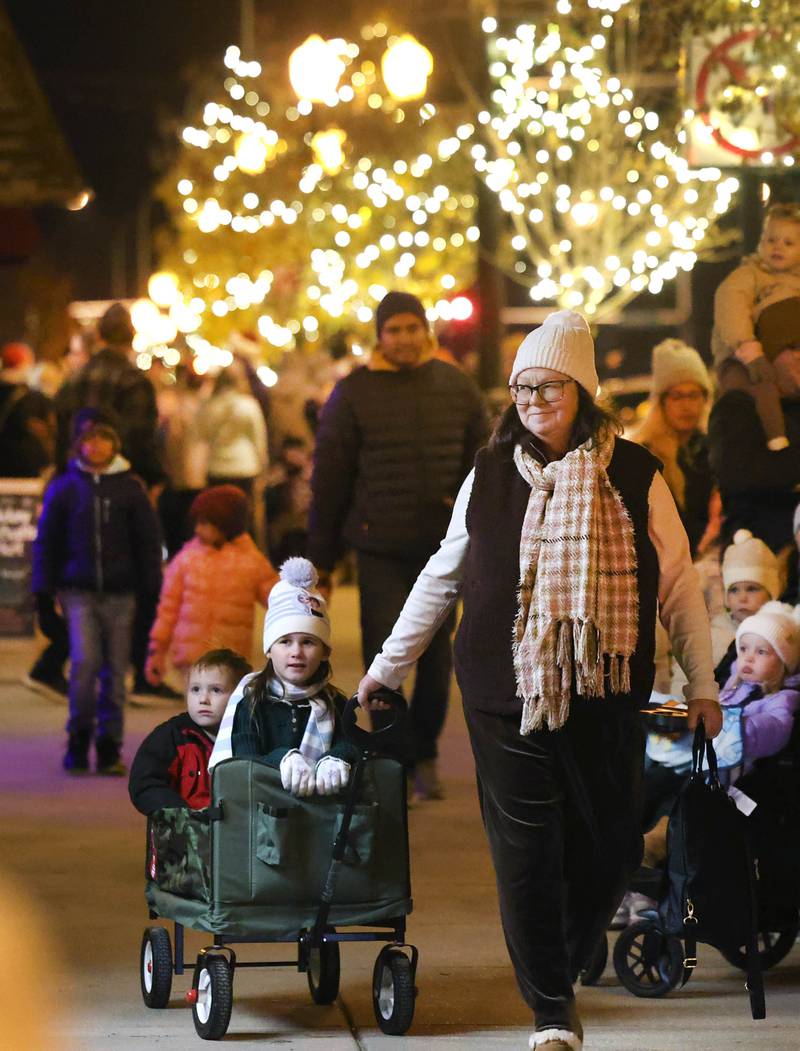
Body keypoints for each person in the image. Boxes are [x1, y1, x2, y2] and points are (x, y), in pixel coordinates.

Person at [356, 309, 721, 1051]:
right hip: (501, 688)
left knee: (611, 842)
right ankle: (552, 1007)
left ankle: (570, 941)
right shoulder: (490, 471)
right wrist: (388, 665)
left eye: (546, 388)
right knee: (526, 852)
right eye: (520, 388)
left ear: (582, 391)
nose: (529, 401)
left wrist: (703, 683)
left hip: (606, 690)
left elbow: (679, 588)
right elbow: (443, 572)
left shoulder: (635, 474)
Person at [309, 290, 489, 799]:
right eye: (395, 330)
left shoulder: (456, 387)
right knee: (385, 654)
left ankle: (425, 752)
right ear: (380, 336)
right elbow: (331, 477)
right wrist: (321, 556)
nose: (405, 338)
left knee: (435, 660)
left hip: (442, 547)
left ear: (426, 331)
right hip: (379, 545)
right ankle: (391, 758)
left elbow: (483, 464)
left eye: (414, 328)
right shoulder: (353, 393)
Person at [31, 409, 162, 775]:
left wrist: (152, 590)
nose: (96, 446)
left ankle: (108, 745)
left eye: (103, 439)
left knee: (116, 671)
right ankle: (79, 737)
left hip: (122, 594)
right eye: (89, 440)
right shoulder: (66, 486)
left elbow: (148, 543)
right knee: (85, 663)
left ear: (114, 444)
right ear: (78, 444)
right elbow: (47, 542)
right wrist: (43, 594)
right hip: (79, 592)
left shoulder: (130, 488)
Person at [643, 601, 800, 869]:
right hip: (696, 760)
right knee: (651, 779)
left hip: (730, 780)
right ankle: (629, 830)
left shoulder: (783, 699)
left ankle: (658, 841)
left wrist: (731, 725)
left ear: (785, 663)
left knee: (684, 797)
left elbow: (775, 728)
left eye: (762, 652)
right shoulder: (731, 688)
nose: (748, 658)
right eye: (743, 650)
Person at [208, 558, 359, 796]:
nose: (296, 652)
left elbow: (351, 743)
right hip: (263, 816)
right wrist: (282, 759)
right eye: (285, 642)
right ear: (269, 649)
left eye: (308, 642)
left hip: (319, 819)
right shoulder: (252, 700)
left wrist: (337, 758)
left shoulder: (334, 703)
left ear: (325, 652)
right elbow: (244, 759)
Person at [145, 485, 278, 685]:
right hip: (191, 658)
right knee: (200, 711)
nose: (198, 529)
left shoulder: (252, 562)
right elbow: (168, 609)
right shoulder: (186, 560)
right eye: (197, 522)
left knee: (224, 711)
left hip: (230, 659)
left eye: (206, 523)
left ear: (227, 525)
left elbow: (278, 599)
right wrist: (157, 650)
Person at [712, 202, 800, 452]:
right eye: (771, 239)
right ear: (761, 241)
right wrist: (748, 348)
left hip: (783, 355)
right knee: (755, 389)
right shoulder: (749, 275)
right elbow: (732, 307)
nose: (778, 247)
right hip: (742, 356)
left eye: (788, 243)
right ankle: (775, 440)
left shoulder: (795, 283)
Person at [128, 648, 252, 814]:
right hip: (183, 834)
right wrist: (181, 814)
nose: (203, 699)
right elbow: (145, 783)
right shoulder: (170, 737)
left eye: (216, 690)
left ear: (241, 696)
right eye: (195, 689)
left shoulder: (251, 739)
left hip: (236, 834)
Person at [630, 338, 714, 557]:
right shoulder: (645, 454)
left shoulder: (711, 450)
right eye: (677, 396)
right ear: (662, 402)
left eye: (694, 395)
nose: (686, 405)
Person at [198, 359, 268, 501]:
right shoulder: (248, 405)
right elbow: (259, 439)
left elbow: (202, 434)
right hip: (244, 466)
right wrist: (263, 468)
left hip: (216, 467)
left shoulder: (210, 406)